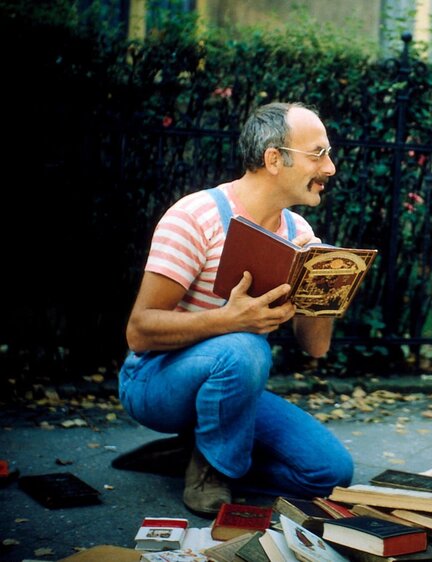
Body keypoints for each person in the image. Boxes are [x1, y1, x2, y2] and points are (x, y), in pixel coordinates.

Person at [118, 101, 354, 516]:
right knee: (245, 346)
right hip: (153, 380)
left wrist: (322, 288)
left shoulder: (299, 231)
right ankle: (211, 471)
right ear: (274, 159)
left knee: (329, 474)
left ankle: (192, 455)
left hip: (231, 385)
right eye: (318, 154)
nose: (330, 168)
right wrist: (231, 319)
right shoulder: (196, 216)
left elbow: (315, 348)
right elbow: (139, 332)